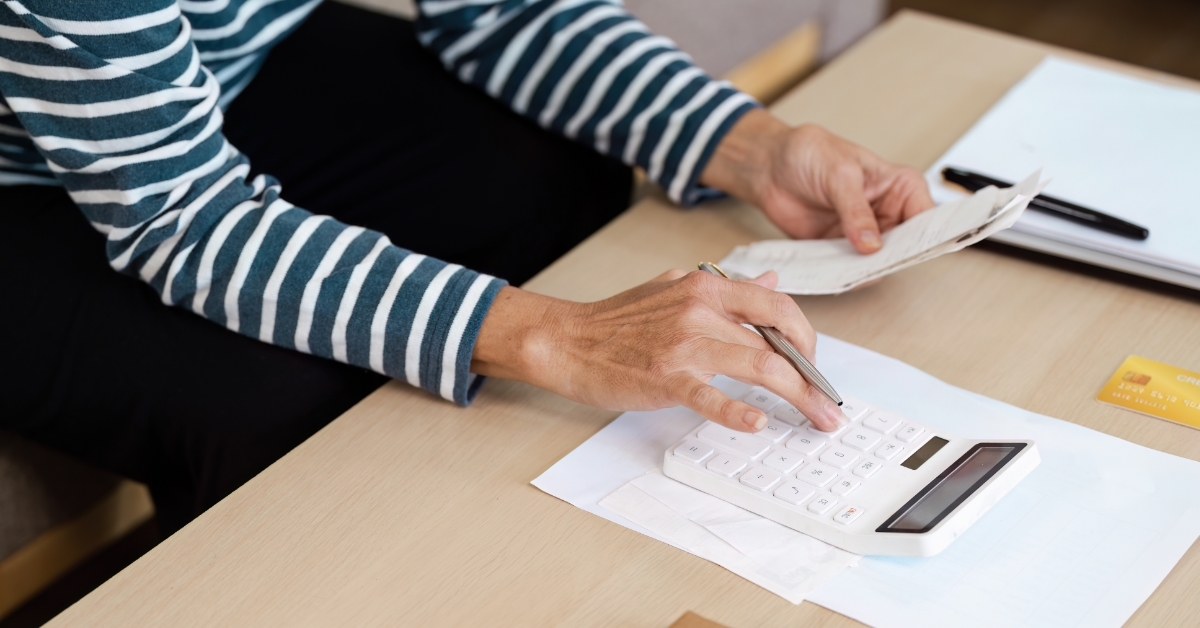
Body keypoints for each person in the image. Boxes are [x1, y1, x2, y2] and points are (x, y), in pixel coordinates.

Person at [0, 0, 933, 534]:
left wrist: (743, 142)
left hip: (206, 73)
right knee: (262, 407)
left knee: (554, 181)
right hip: (39, 175)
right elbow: (183, 215)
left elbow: (504, 11)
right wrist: (560, 339)